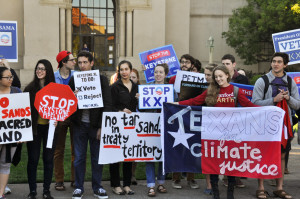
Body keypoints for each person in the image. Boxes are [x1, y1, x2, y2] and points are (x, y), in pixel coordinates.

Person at [177, 65, 259, 199]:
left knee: (231, 163)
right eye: (216, 77)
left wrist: (268, 109)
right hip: (213, 133)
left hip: (231, 134)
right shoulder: (211, 90)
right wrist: (176, 104)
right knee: (214, 163)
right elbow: (195, 101)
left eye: (221, 76)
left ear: (227, 75)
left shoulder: (235, 90)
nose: (218, 79)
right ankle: (215, 193)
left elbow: (248, 106)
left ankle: (230, 194)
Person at [252, 52, 300, 199]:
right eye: (274, 61)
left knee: (282, 156)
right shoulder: (262, 81)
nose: (276, 64)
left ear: (285, 65)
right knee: (263, 155)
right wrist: (274, 99)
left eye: (279, 62)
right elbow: (254, 102)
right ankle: (260, 188)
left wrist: (288, 98)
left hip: (284, 126)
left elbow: (297, 105)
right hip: (265, 125)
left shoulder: (290, 82)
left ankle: (279, 188)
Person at [68, 51, 112, 199]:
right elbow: (67, 103)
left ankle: (97, 187)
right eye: (79, 63)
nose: (82, 65)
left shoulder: (101, 80)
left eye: (85, 62)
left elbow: (107, 104)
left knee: (97, 158)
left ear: (91, 63)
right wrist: (72, 97)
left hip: (95, 126)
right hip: (79, 125)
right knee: (79, 157)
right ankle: (79, 188)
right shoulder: (74, 79)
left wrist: (101, 126)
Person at [24, 59, 57, 199]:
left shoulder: (56, 89)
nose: (39, 71)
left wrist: (57, 121)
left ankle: (46, 190)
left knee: (49, 159)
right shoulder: (29, 89)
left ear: (48, 71)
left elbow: (62, 109)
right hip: (34, 130)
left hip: (50, 129)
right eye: (38, 68)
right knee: (33, 159)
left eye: (43, 69)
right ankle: (32, 191)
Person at [144, 63, 177, 197]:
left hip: (166, 126)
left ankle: (161, 182)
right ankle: (151, 185)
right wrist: (140, 100)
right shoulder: (147, 89)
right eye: (156, 72)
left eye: (161, 72)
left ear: (165, 74)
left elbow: (176, 108)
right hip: (150, 125)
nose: (158, 74)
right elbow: (141, 109)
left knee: (164, 156)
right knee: (150, 155)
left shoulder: (171, 90)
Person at [168, 54, 199, 189]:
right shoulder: (173, 79)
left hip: (192, 115)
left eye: (187, 62)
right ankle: (176, 178)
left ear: (192, 64)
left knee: (192, 146)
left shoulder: (198, 78)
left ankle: (191, 178)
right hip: (177, 114)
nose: (184, 64)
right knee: (178, 146)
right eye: (182, 62)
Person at [110, 60, 138, 195]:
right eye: (122, 70)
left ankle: (126, 184)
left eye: (126, 69)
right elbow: (109, 106)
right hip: (117, 124)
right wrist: (120, 111)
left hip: (132, 125)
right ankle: (115, 184)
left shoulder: (137, 87)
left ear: (131, 70)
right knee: (116, 154)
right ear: (119, 72)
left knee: (129, 154)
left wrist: (139, 99)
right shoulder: (115, 87)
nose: (124, 72)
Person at [221, 54, 248, 187]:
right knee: (226, 148)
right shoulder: (219, 79)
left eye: (227, 63)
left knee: (238, 148)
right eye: (223, 63)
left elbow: (248, 98)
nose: (225, 66)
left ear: (234, 64)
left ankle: (236, 176)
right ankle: (227, 176)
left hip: (240, 118)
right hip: (224, 120)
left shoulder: (242, 79)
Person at [53, 51, 76, 191]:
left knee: (76, 150)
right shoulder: (53, 77)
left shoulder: (77, 76)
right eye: (72, 60)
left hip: (75, 116)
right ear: (64, 62)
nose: (75, 62)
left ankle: (75, 179)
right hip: (60, 116)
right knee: (58, 150)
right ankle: (59, 180)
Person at [0, 66, 22, 199]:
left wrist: (22, 133)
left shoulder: (17, 92)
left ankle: (1, 192)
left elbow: (23, 115)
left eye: (11, 77)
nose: (11, 79)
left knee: (5, 163)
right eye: (7, 77)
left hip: (12, 135)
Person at [129, 68, 140, 186]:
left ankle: (132, 174)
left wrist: (140, 99)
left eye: (134, 77)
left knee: (135, 150)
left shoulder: (141, 91)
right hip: (124, 123)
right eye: (130, 77)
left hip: (138, 124)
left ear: (137, 79)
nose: (131, 79)